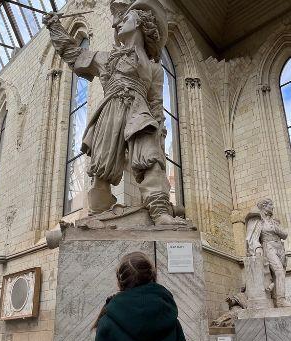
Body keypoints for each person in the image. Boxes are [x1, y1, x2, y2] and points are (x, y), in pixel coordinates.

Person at [43, 0, 187, 225]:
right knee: (102, 166)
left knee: (151, 158)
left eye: (125, 19)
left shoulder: (154, 68)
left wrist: (159, 132)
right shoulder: (105, 59)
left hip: (140, 113)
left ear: (140, 23)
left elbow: (156, 104)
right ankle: (99, 214)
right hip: (110, 110)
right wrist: (55, 28)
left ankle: (160, 214)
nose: (117, 24)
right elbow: (74, 55)